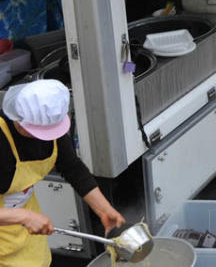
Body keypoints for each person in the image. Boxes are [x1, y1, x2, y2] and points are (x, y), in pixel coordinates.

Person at [0, 80, 125, 266]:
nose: (47, 138)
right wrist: (22, 216)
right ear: (19, 123)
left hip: (24, 233)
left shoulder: (50, 124)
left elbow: (72, 168)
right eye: (40, 132)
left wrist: (104, 210)